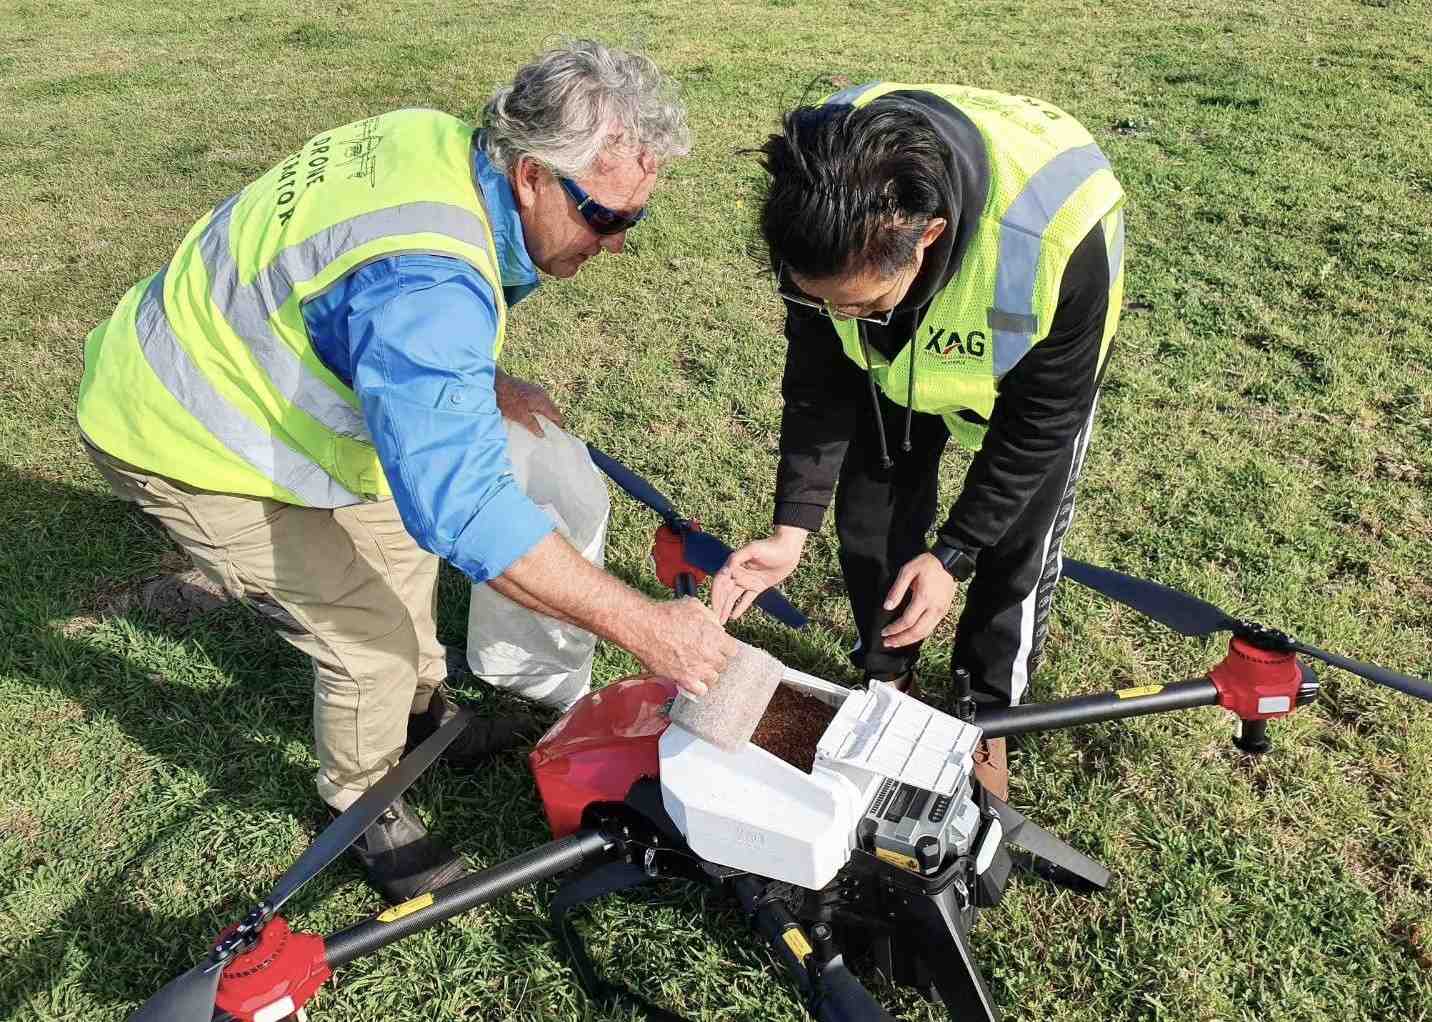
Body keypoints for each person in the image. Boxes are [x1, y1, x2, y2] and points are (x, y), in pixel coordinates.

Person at [76, 40, 737, 902]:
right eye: (607, 217)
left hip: (243, 366)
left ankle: (422, 717)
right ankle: (361, 800)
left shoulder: (443, 144)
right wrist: (648, 629)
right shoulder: (429, 285)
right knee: (370, 643)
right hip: (182, 433)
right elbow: (465, 510)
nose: (615, 244)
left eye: (632, 221)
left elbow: (362, 301)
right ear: (532, 173)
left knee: (401, 553)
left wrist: (475, 381)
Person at [711, 82, 1126, 800]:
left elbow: (1043, 425)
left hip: (1027, 379)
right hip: (901, 367)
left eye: (862, 304)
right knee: (871, 524)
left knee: (1012, 558)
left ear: (926, 236)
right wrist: (791, 527)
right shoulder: (817, 214)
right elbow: (817, 383)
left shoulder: (1054, 240)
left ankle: (984, 717)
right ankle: (886, 678)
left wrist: (955, 553)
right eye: (822, 302)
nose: (841, 317)